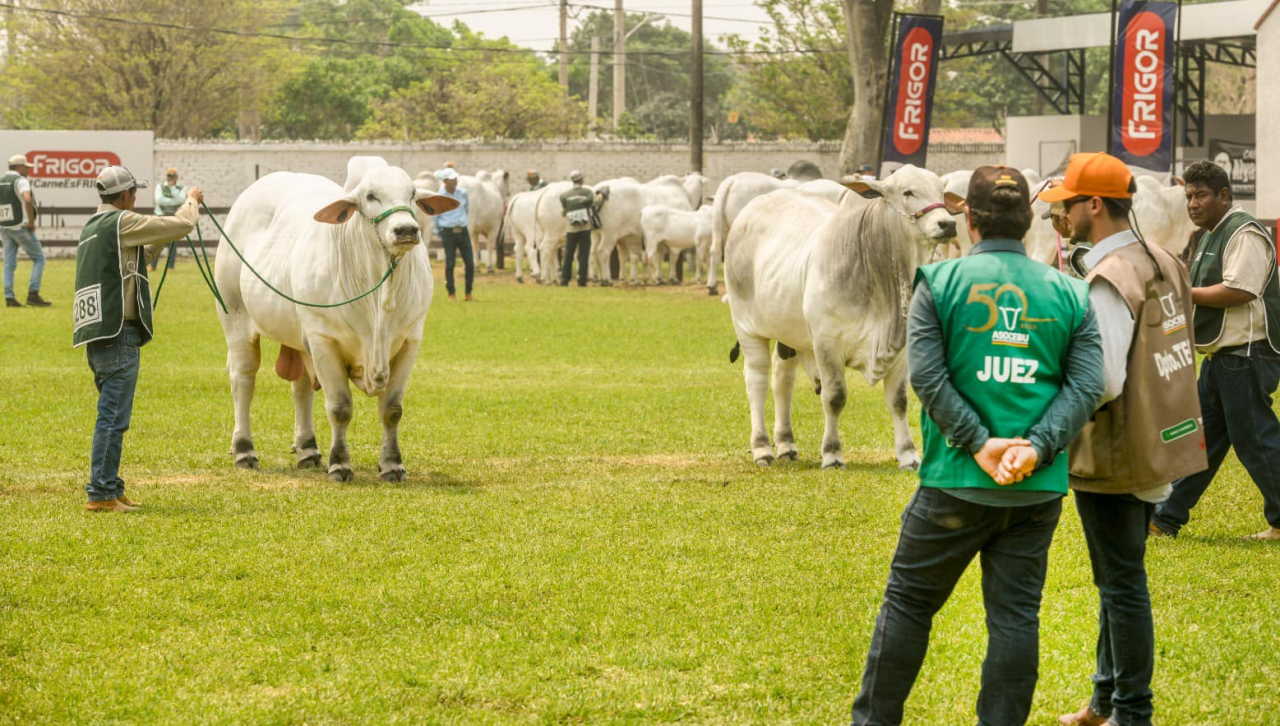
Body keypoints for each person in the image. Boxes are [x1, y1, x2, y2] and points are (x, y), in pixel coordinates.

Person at [850, 166, 1104, 726]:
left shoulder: (939, 284)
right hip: (1034, 490)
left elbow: (928, 376)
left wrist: (980, 444)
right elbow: (1087, 385)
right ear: (1029, 219)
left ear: (967, 217)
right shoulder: (1071, 291)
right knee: (1015, 620)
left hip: (953, 483)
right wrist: (1035, 449)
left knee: (909, 606)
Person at [1035, 153, 1207, 726]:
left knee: (1121, 582)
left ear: (1093, 206)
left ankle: (1132, 712)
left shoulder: (1110, 278)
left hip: (1117, 448)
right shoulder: (1163, 259)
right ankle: (1105, 699)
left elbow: (1103, 381)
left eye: (1064, 205)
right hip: (1165, 436)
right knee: (1120, 576)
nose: (1058, 215)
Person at [1151, 160, 1280, 541]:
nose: (1193, 203)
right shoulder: (1210, 233)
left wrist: (1179, 291)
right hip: (1223, 357)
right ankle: (1165, 518)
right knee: (1200, 441)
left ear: (1224, 195)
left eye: (1201, 195)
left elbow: (1239, 290)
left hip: (1247, 354)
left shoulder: (1244, 231)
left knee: (1257, 440)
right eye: (1189, 195)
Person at [74, 166, 203, 512]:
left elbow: (139, 258)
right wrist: (191, 202)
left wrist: (161, 242)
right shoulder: (123, 222)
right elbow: (181, 225)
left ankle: (112, 489)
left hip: (98, 334)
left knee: (112, 414)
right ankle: (100, 493)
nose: (135, 198)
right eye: (134, 193)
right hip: (119, 333)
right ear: (126, 195)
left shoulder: (93, 227)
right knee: (113, 418)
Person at [0, 154, 51, 308]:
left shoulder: (1, 181)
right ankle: (33, 295)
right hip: (21, 227)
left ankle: (9, 297)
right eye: (27, 167)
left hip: (5, 227)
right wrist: (31, 222)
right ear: (20, 167)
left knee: (9, 263)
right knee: (39, 259)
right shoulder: (20, 181)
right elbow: (27, 199)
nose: (28, 170)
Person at [433, 168, 473, 301]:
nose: (455, 180)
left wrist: (461, 221)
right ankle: (451, 293)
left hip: (462, 230)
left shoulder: (463, 193)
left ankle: (468, 293)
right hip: (448, 232)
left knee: (470, 263)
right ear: (445, 181)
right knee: (450, 263)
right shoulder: (439, 196)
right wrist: (440, 232)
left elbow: (466, 209)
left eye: (455, 178)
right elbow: (436, 216)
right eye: (452, 179)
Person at [558, 170, 599, 288]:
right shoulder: (587, 192)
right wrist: (600, 196)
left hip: (571, 229)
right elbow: (591, 203)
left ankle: (564, 280)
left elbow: (564, 210)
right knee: (583, 255)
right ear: (581, 180)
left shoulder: (564, 195)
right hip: (585, 229)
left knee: (568, 255)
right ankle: (582, 281)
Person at [150, 166, 186, 271]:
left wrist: (173, 190)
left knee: (173, 243)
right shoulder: (160, 186)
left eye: (172, 176)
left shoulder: (181, 188)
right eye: (169, 176)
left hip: (174, 216)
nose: (170, 178)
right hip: (161, 216)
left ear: (176, 177)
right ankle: (153, 266)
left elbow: (181, 200)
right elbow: (159, 200)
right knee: (157, 242)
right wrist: (173, 200)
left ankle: (170, 266)